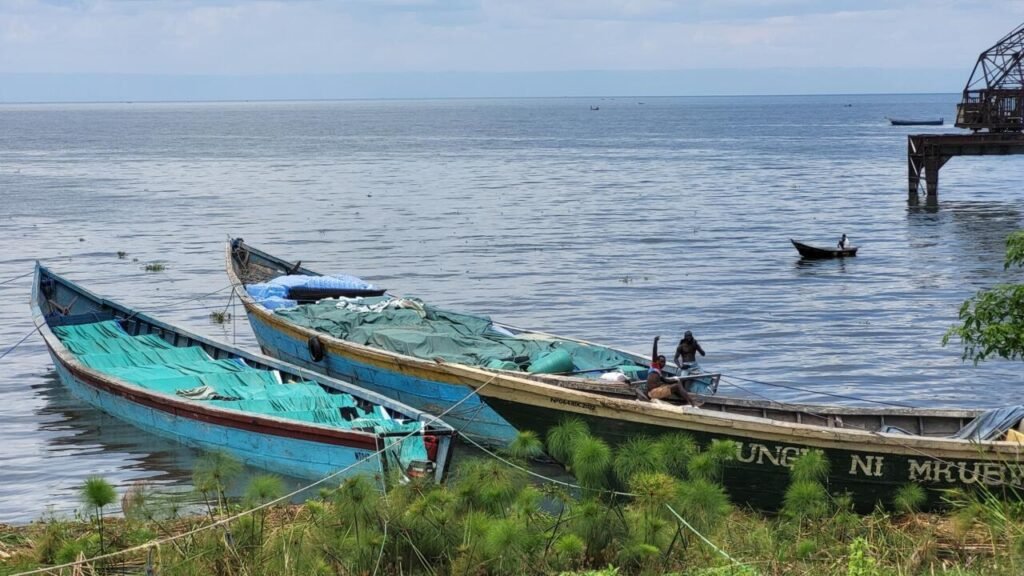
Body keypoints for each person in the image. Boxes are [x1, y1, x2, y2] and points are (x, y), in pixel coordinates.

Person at [645, 336, 700, 406]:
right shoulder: (654, 365)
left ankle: (684, 399)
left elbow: (665, 380)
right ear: (657, 361)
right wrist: (655, 341)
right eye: (661, 361)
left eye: (664, 362)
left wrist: (675, 380)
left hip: (657, 389)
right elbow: (654, 352)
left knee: (677, 384)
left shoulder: (658, 371)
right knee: (677, 386)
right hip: (653, 392)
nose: (663, 363)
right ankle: (692, 402)